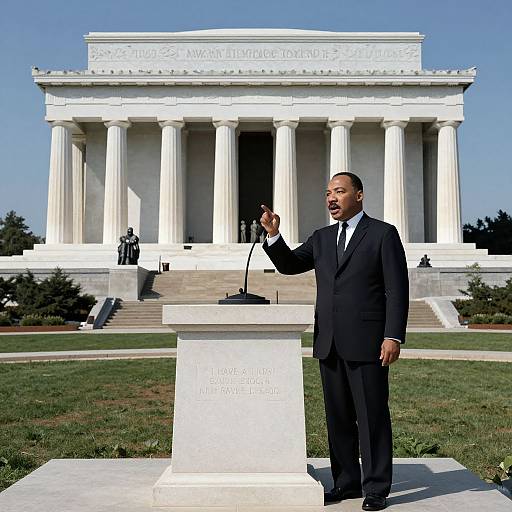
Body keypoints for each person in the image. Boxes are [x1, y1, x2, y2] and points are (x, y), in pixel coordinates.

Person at [260, 172, 409, 511]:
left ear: (359, 195)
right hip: (328, 342)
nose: (331, 198)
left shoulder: (383, 234)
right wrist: (274, 235)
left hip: (369, 341)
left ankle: (375, 488)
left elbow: (396, 289)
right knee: (338, 417)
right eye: (328, 193)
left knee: (371, 416)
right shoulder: (322, 237)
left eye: (339, 192)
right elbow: (290, 265)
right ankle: (346, 483)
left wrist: (392, 335)